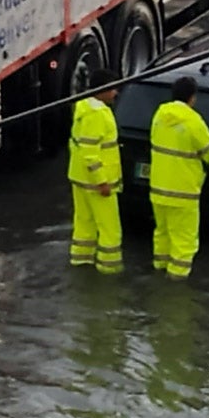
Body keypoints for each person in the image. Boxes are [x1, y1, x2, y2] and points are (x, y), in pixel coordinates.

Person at [149, 76, 209, 280]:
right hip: (183, 192)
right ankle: (176, 283)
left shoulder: (159, 115)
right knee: (184, 242)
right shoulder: (193, 121)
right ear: (192, 97)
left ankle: (159, 270)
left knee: (162, 234)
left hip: (158, 190)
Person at [68, 68, 124, 274]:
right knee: (110, 229)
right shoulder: (98, 114)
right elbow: (91, 153)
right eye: (112, 89)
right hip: (98, 183)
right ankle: (110, 270)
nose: (115, 93)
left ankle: (81, 262)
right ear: (102, 90)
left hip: (80, 178)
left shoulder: (83, 108)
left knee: (84, 224)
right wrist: (102, 181)